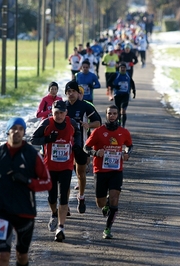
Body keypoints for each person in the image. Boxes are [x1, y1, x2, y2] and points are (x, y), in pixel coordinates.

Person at [0, 117, 52, 266]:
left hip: (25, 211)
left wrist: (28, 182)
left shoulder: (32, 155)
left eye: (20, 129)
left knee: (21, 256)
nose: (17, 132)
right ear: (8, 131)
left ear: (24, 132)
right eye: (14, 128)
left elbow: (47, 183)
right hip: (1, 211)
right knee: (2, 255)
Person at [30, 100, 82, 242]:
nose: (58, 116)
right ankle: (54, 213)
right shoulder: (46, 123)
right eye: (56, 113)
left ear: (66, 113)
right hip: (50, 166)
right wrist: (47, 139)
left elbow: (78, 135)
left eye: (61, 113)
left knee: (63, 196)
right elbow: (33, 139)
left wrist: (77, 146)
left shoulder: (71, 123)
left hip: (66, 166)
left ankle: (61, 227)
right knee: (52, 197)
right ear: (52, 112)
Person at [83, 105, 133, 239]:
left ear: (118, 115)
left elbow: (129, 146)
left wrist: (127, 154)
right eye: (110, 113)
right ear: (106, 115)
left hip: (116, 170)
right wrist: (95, 152)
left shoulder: (124, 132)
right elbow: (86, 147)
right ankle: (106, 205)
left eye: (115, 113)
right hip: (100, 170)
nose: (112, 116)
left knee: (115, 199)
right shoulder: (98, 132)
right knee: (100, 203)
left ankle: (108, 229)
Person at [64, 80, 101, 213]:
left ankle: (81, 197)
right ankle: (65, 204)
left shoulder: (85, 106)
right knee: (65, 176)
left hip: (82, 145)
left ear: (77, 92)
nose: (71, 94)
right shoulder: (63, 107)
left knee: (80, 173)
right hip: (65, 147)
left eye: (73, 91)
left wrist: (88, 125)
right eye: (68, 92)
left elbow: (98, 122)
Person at [107, 62, 136, 127]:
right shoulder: (115, 74)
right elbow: (109, 83)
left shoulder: (128, 74)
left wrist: (134, 91)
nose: (123, 69)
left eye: (124, 68)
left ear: (126, 68)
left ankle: (123, 125)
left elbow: (132, 82)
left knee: (123, 110)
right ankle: (118, 124)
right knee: (118, 111)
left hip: (125, 95)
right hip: (117, 95)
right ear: (119, 68)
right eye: (121, 68)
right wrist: (115, 86)